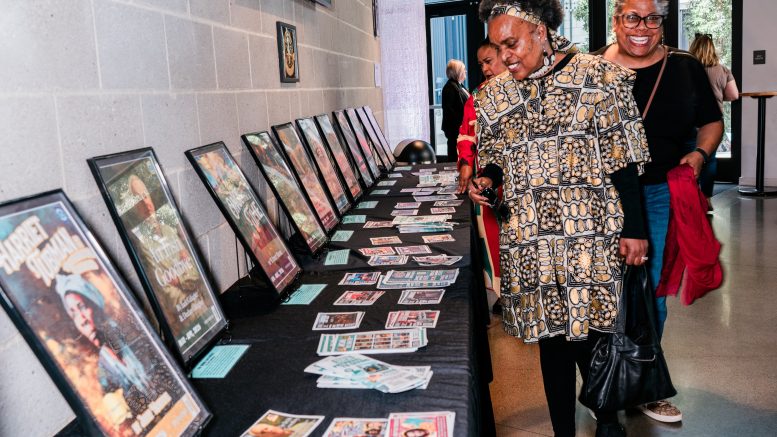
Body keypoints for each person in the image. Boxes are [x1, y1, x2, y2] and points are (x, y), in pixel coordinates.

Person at [471, 2, 651, 436]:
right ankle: (562, 430)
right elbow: (496, 155)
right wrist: (487, 179)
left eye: (511, 43)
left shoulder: (598, 77)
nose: (504, 55)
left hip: (590, 234)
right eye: (497, 46)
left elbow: (623, 159)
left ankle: (607, 420)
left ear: (540, 31)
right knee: (550, 339)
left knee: (594, 334)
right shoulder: (496, 94)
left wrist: (636, 230)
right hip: (531, 237)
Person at [594, 0, 723, 424]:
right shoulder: (589, 68)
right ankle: (605, 385)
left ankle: (642, 387)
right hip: (596, 198)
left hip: (658, 195)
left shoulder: (684, 67)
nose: (642, 27)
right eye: (632, 16)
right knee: (598, 291)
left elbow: (711, 121)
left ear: (663, 23)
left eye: (652, 18)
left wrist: (701, 154)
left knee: (650, 294)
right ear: (616, 19)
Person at [456, 39, 508, 309]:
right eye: (481, 64)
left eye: (489, 61)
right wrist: (465, 162)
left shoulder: (523, 89)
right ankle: (496, 292)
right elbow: (466, 133)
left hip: (516, 181)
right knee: (488, 234)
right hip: (484, 180)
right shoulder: (477, 95)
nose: (485, 68)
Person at [689, 33, 739, 208]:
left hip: (691, 120)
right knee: (709, 159)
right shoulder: (722, 70)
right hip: (713, 121)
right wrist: (717, 93)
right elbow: (733, 95)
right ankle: (707, 198)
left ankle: (690, 197)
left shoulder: (687, 69)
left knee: (689, 157)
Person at [441, 59, 469, 163]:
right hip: (456, 130)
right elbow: (451, 112)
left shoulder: (459, 85)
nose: (465, 72)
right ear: (457, 72)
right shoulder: (450, 87)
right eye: (463, 70)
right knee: (455, 158)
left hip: (462, 129)